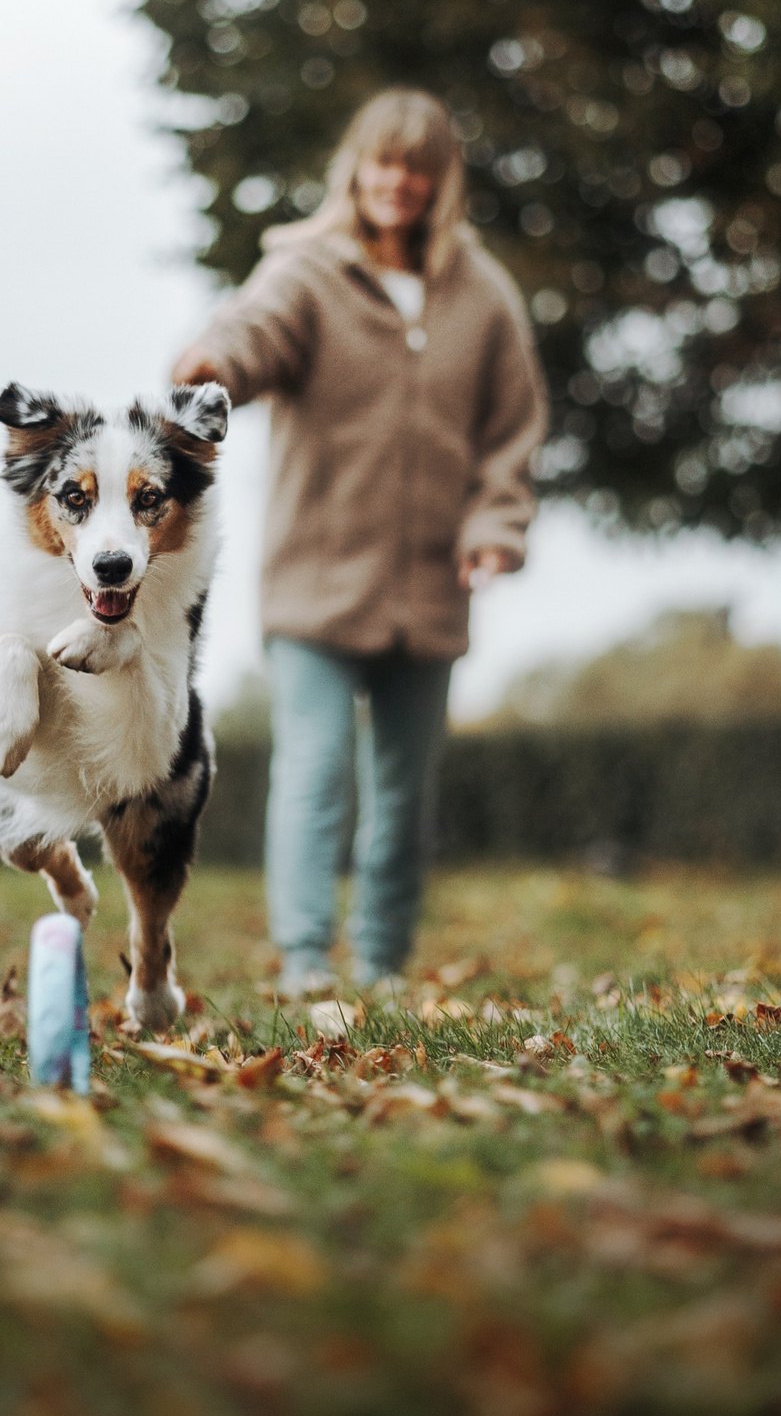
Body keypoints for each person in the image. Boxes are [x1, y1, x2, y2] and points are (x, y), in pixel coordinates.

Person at [170, 88, 548, 995]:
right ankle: (305, 961)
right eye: (385, 163)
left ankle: (379, 961)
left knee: (405, 796)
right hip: (317, 577)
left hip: (429, 585)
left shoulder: (483, 295)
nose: (399, 182)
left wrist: (496, 525)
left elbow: (513, 428)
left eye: (418, 168)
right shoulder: (308, 272)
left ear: (441, 179)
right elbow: (251, 334)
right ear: (358, 169)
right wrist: (212, 366)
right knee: (317, 770)